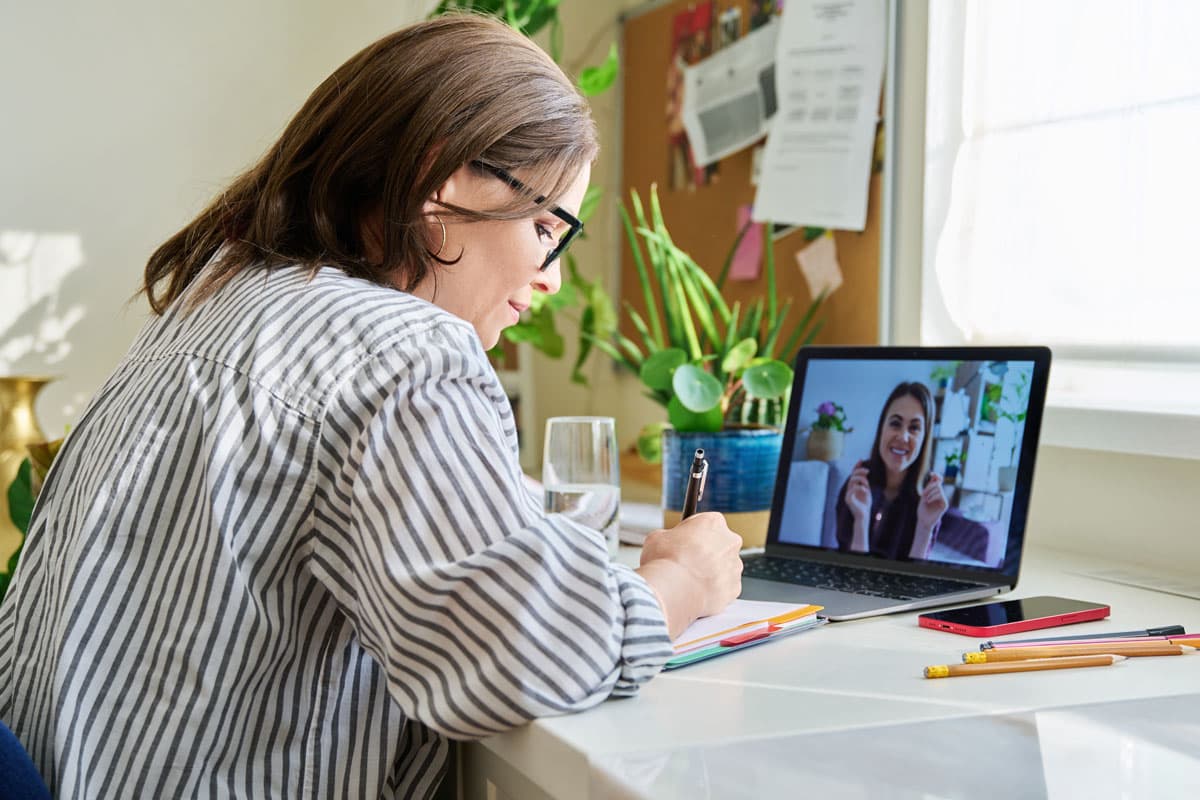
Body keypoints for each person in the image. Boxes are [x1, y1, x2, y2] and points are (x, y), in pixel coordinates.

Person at [0, 15, 743, 799]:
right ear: (442, 183)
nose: (552, 276)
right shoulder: (400, 350)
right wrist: (680, 581)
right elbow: (526, 659)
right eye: (544, 227)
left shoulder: (219, 300)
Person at [835, 381, 948, 560]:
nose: (903, 437)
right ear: (882, 428)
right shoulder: (856, 484)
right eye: (895, 423)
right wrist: (861, 520)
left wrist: (925, 528)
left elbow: (913, 582)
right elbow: (850, 574)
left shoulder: (929, 497)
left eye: (914, 428)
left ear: (924, 439)